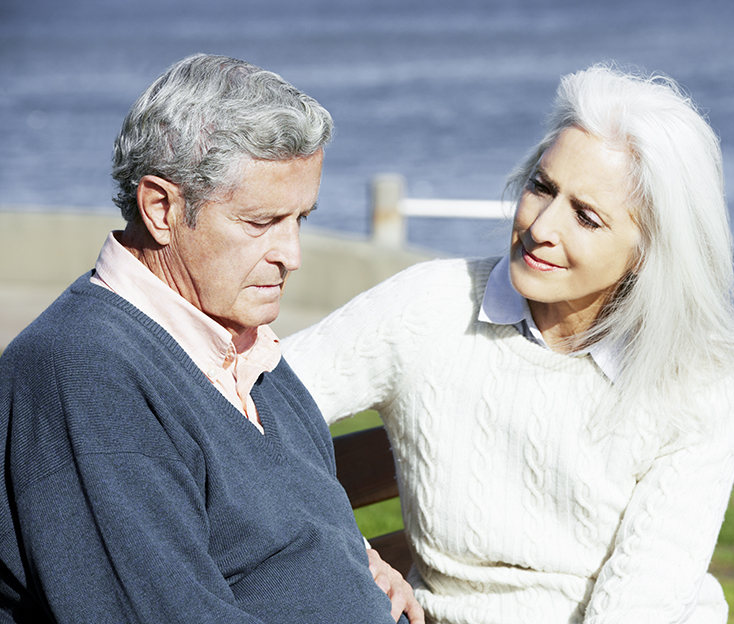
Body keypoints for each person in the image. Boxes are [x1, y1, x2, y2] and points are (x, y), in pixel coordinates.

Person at [283, 63, 734, 623]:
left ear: (651, 251)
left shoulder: (703, 376)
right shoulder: (430, 306)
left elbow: (644, 603)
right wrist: (354, 555)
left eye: (586, 217)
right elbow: (245, 407)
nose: (541, 227)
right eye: (542, 187)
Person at [0, 54, 423, 624]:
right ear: (160, 208)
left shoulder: (240, 344)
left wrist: (365, 565)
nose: (291, 256)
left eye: (300, 219)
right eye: (259, 223)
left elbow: (292, 529)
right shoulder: (84, 372)